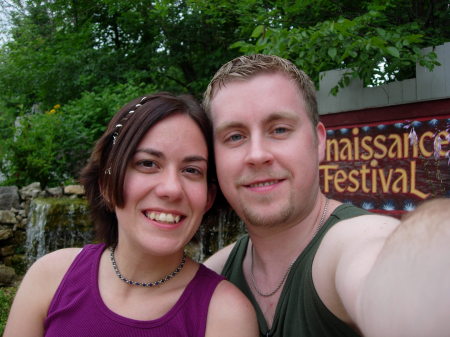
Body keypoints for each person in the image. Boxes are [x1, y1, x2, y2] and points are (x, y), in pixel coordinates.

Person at [202, 54, 450, 337]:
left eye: (280, 129)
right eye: (235, 136)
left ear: (318, 141)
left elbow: (399, 274)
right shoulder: (215, 274)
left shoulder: (349, 243)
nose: (257, 155)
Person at [4, 92, 258, 337]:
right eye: (148, 164)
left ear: (208, 198)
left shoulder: (225, 314)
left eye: (191, 170)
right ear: (107, 183)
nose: (171, 188)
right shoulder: (50, 277)